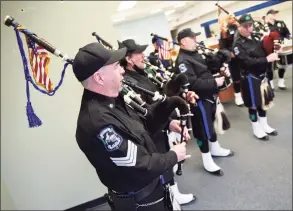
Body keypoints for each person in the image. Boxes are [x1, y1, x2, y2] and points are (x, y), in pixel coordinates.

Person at [72, 42, 191, 211]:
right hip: (141, 203)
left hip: (154, 190)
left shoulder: (113, 101)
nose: (122, 70)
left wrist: (169, 108)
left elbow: (144, 126)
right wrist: (173, 156)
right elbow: (139, 165)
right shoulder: (98, 123)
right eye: (115, 67)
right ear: (99, 78)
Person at [117, 39, 197, 206]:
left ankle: (174, 194)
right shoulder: (129, 82)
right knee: (162, 168)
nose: (143, 56)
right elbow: (148, 112)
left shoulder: (142, 74)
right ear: (129, 59)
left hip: (160, 127)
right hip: (150, 133)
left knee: (168, 165)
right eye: (139, 53)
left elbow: (160, 100)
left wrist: (169, 122)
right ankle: (170, 200)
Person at [175, 28, 234, 176]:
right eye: (192, 38)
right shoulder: (183, 61)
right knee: (202, 130)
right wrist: (215, 82)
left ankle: (215, 148)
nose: (195, 40)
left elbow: (208, 67)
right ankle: (206, 159)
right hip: (199, 101)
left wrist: (221, 68)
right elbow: (192, 84)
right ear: (183, 42)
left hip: (210, 97)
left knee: (211, 124)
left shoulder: (196, 53)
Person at [232, 14, 279, 141]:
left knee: (264, 101)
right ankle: (256, 128)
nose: (248, 28)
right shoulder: (237, 45)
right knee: (253, 105)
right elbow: (246, 62)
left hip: (262, 75)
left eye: (250, 25)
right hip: (249, 77)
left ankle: (264, 125)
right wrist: (267, 59)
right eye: (245, 26)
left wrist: (273, 49)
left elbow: (264, 52)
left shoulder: (257, 38)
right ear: (239, 27)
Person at [219, 14, 244, 106]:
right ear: (227, 20)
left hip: (243, 56)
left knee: (245, 76)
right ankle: (237, 95)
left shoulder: (240, 28)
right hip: (233, 59)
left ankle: (245, 94)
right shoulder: (224, 32)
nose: (233, 19)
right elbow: (222, 48)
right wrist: (230, 53)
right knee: (236, 78)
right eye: (230, 18)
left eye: (233, 17)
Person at [265, 9, 291, 90]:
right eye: (273, 14)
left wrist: (289, 38)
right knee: (269, 66)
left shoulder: (281, 23)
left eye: (275, 13)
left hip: (281, 47)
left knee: (282, 64)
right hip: (269, 48)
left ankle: (281, 81)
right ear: (268, 15)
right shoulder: (265, 25)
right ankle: (271, 83)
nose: (275, 15)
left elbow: (287, 33)